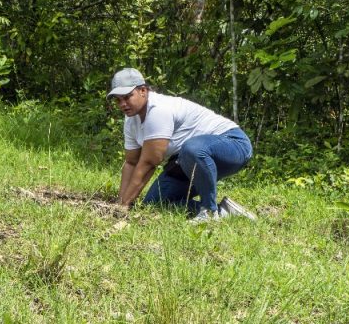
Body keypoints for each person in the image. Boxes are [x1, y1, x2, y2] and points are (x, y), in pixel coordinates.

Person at [108, 67, 256, 221]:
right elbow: (131, 162)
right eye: (118, 100)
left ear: (143, 91)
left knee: (192, 148)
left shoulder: (158, 110)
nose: (123, 104)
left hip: (233, 145)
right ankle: (224, 212)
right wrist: (120, 203)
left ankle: (209, 212)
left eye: (127, 97)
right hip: (187, 160)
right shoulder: (131, 120)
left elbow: (149, 163)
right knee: (155, 203)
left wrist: (126, 204)